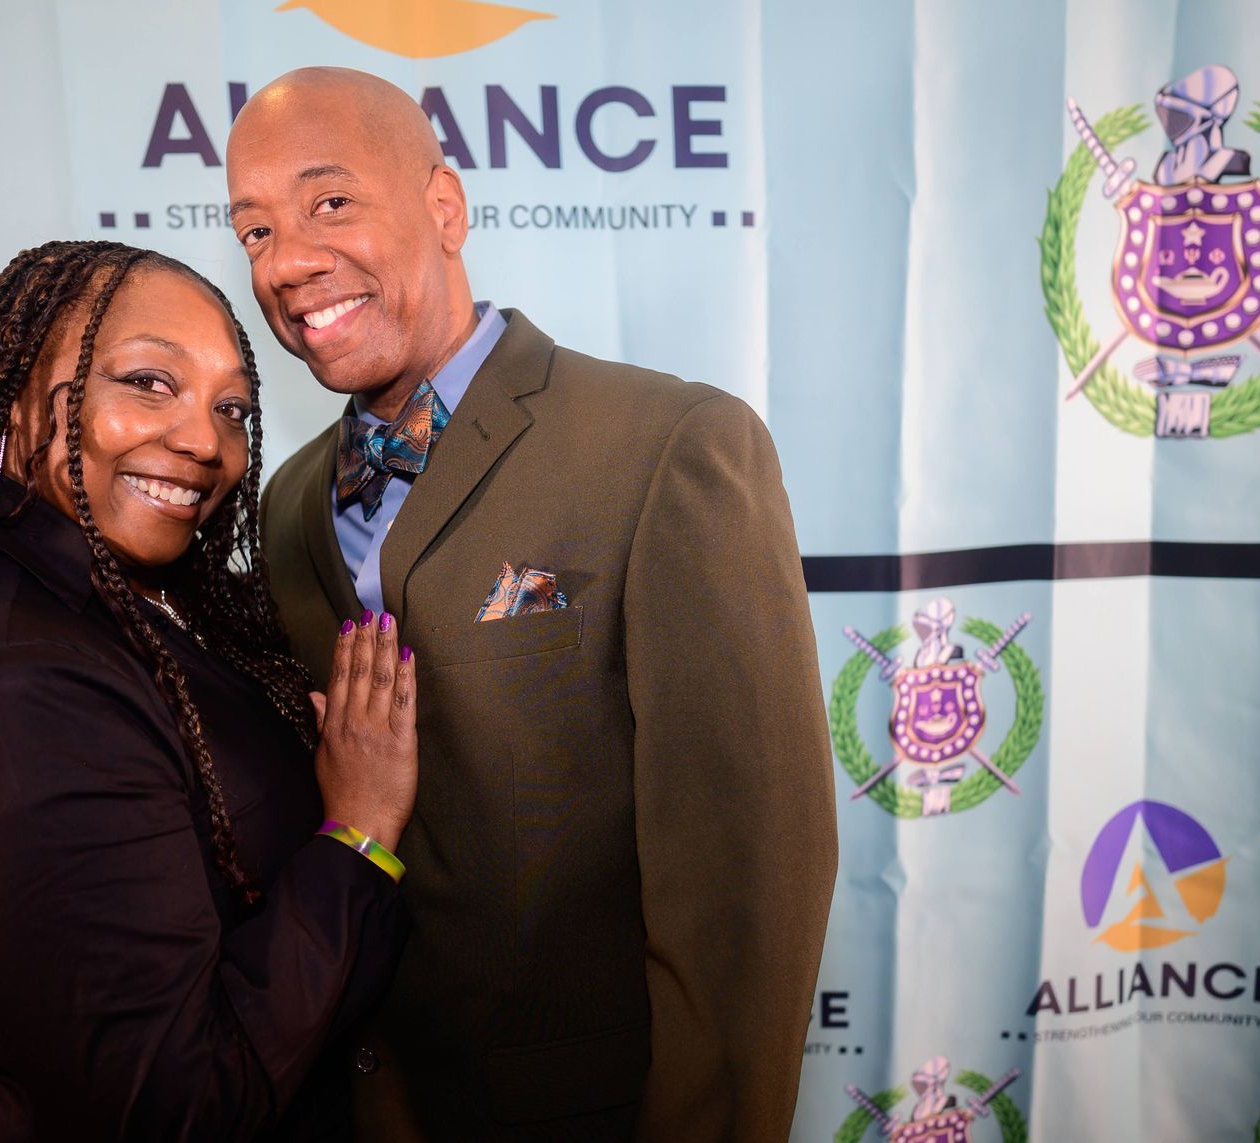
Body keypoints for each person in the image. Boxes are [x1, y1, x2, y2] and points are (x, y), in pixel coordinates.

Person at [227, 68, 839, 1141]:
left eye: (331, 204)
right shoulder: (283, 506)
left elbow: (747, 894)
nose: (288, 262)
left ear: (445, 207)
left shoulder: (666, 446)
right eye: (255, 231)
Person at [0, 240, 418, 1141]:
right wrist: (357, 834)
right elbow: (179, 1103)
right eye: (148, 382)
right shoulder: (6, 686)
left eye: (231, 406)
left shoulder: (118, 608)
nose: (206, 440)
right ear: (14, 400)